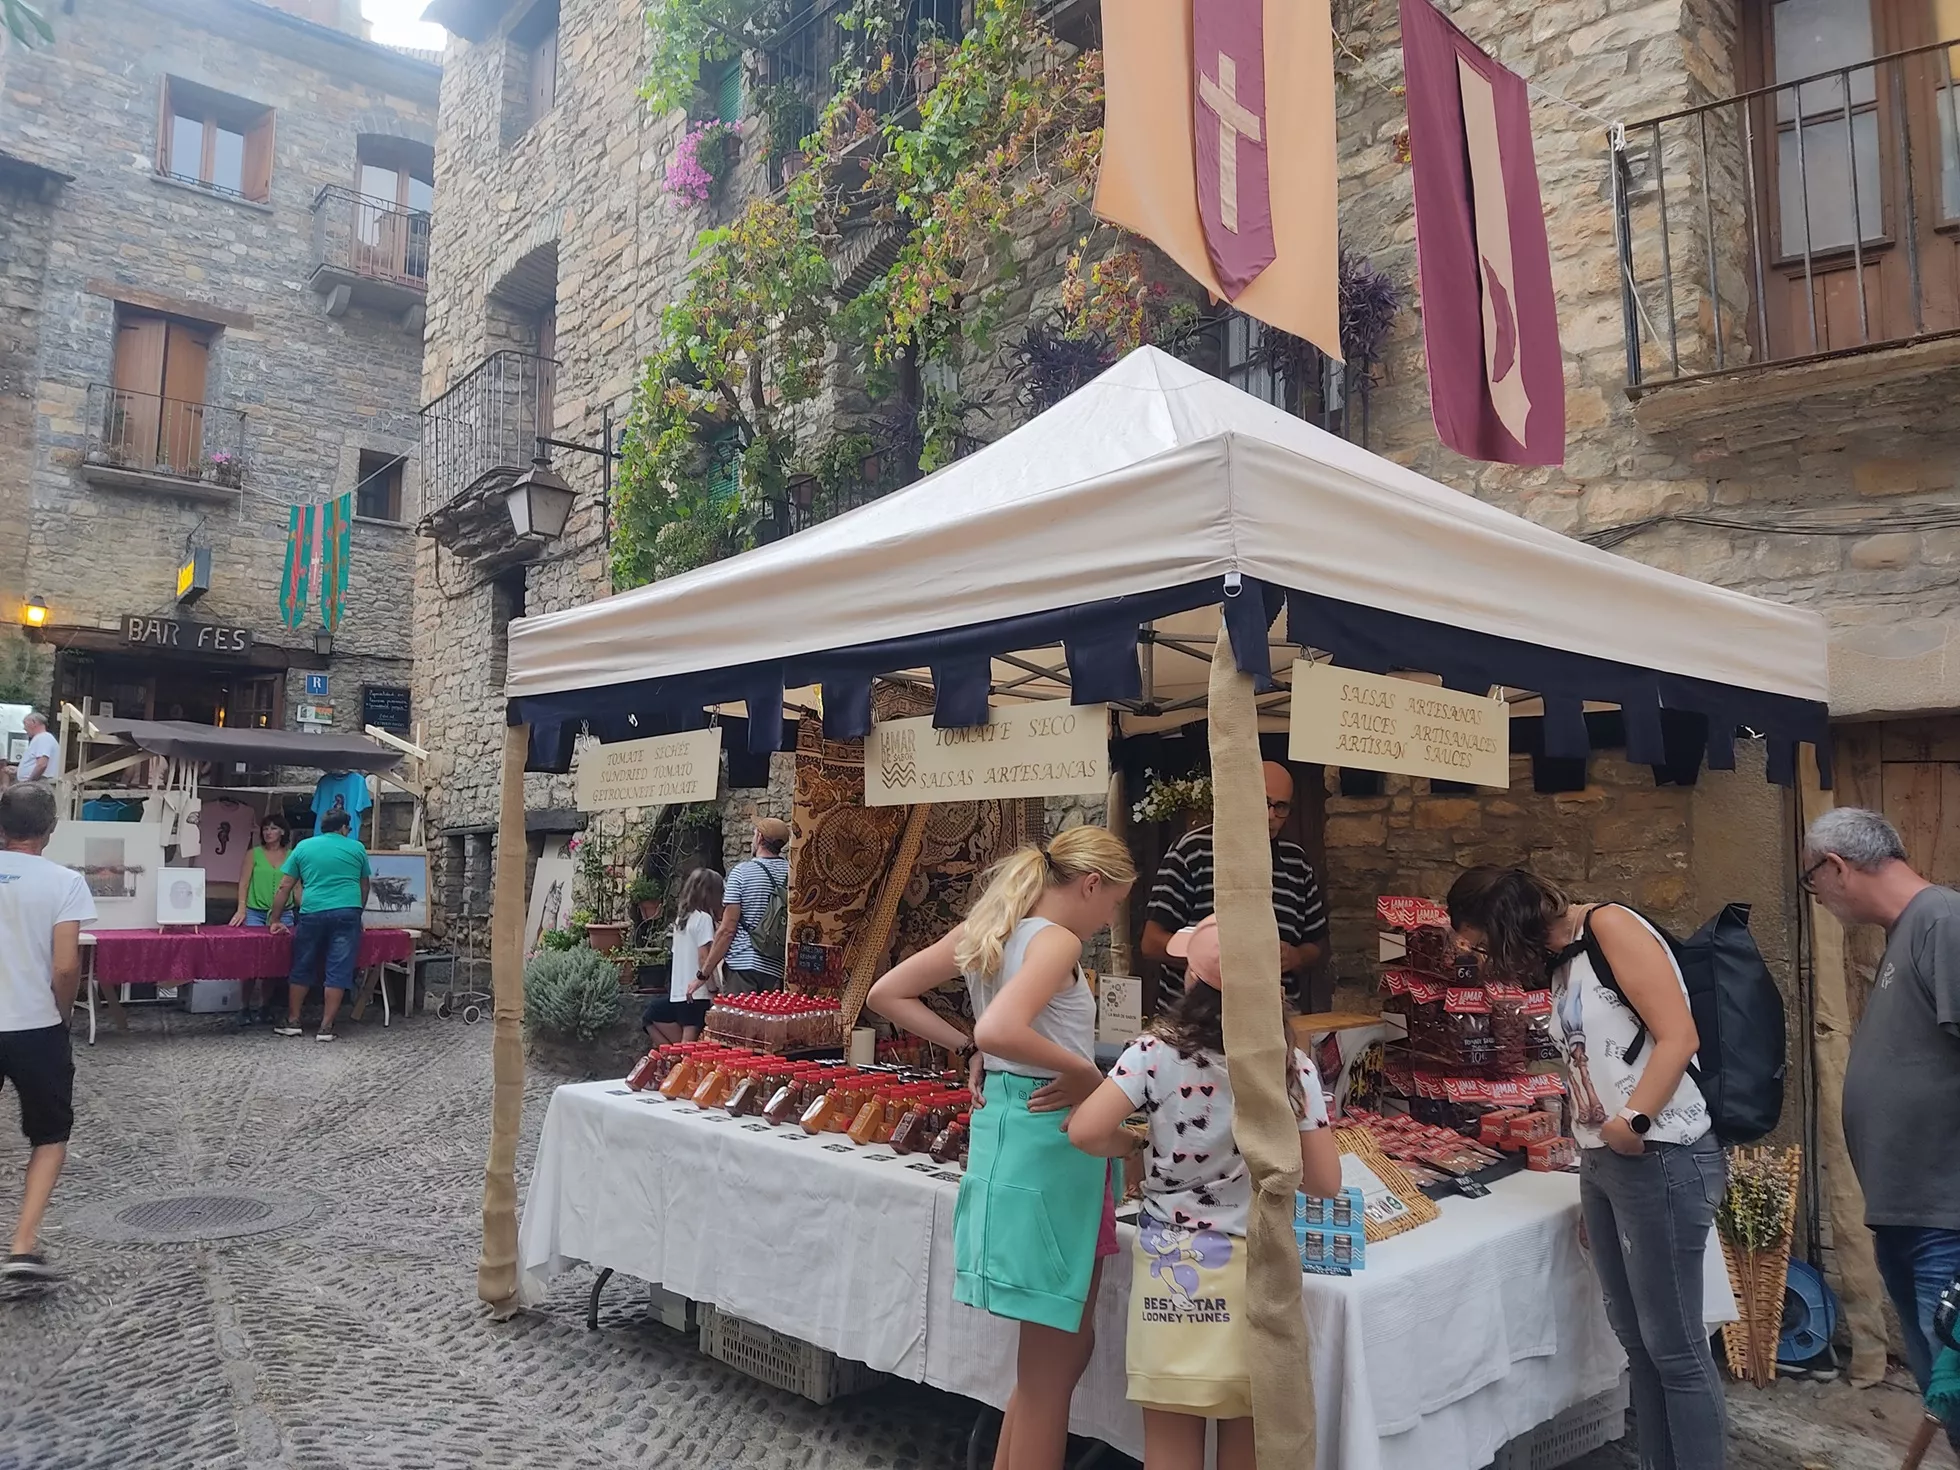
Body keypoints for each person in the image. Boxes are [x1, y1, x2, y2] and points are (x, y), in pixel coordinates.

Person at [868, 826, 1137, 1470]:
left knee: (1047, 1369)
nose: (1108, 920)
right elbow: (999, 1027)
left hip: (1010, 1142)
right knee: (1051, 1376)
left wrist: (969, 1050)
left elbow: (887, 994)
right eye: (1113, 903)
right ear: (1091, 884)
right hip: (1052, 1151)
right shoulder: (1057, 941)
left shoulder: (991, 930)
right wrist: (1084, 1074)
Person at [1447, 866, 1723, 1470]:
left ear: (1505, 924)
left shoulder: (1610, 927)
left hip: (1662, 1154)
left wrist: (1634, 1123)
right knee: (1637, 1342)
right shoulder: (1562, 960)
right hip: (1604, 1164)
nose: (1483, 957)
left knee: (1675, 1349)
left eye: (1481, 942)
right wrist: (1591, 1164)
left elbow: (1678, 1036)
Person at [1068, 915, 1340, 1470]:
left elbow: (1086, 1130)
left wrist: (1133, 1147)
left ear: (1191, 979)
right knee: (1247, 1440)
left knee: (1170, 1446)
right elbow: (1324, 1181)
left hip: (1172, 1272)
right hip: (1256, 1273)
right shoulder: (1292, 1068)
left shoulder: (1153, 1054)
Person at [1801, 808, 1960, 1456]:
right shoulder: (1909, 932)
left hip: (1947, 1222)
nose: (1821, 897)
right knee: (1946, 1396)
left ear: (1836, 867)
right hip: (1912, 1216)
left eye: (1814, 883)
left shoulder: (1943, 922)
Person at [0, 782, 95, 1281]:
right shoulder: (64, 882)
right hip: (35, 1025)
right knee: (50, 1133)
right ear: (50, 830)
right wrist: (61, 1014)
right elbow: (65, 968)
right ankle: (22, 1245)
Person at [1141, 762, 1328, 1008]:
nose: (1270, 814)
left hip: (1270, 1024)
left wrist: (1295, 957)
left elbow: (1316, 944)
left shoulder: (1297, 863)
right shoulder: (1192, 851)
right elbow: (1152, 943)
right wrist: (1214, 960)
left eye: (1280, 806)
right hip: (1194, 1025)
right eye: (1263, 802)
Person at [266, 808, 371, 1043]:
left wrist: (275, 919)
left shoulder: (304, 847)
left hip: (312, 911)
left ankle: (293, 1021)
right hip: (347, 911)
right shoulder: (357, 848)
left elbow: (285, 886)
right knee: (338, 968)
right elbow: (365, 887)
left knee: (303, 963)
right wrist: (358, 912)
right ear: (344, 828)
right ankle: (326, 1026)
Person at [700, 817, 791, 993]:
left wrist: (704, 973)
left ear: (760, 838)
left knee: (740, 1019)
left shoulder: (741, 873)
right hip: (776, 968)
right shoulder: (792, 874)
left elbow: (727, 930)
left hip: (742, 967)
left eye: (755, 833)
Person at [228, 813, 296, 1027]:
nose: (268, 832)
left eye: (274, 828)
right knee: (251, 961)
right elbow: (244, 883)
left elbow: (299, 886)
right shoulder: (253, 854)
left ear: (283, 832)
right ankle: (244, 1006)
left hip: (285, 913)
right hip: (256, 912)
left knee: (274, 962)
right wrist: (241, 909)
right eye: (266, 828)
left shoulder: (292, 855)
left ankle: (265, 1006)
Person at [643, 868, 724, 1045]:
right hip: (698, 994)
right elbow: (705, 958)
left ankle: (671, 1062)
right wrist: (713, 989)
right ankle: (677, 1065)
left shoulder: (681, 921)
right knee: (688, 1050)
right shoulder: (703, 919)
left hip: (679, 993)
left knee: (650, 1019)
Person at [15, 712, 58, 784]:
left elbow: (42, 764)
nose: (24, 728)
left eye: (25, 723)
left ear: (34, 722)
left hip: (40, 783)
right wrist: (18, 770)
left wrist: (30, 782)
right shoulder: (43, 738)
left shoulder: (43, 738)